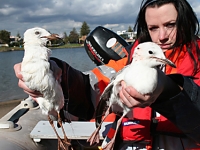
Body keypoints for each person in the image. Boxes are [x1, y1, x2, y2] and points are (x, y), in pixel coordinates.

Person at [14, 0, 200, 149]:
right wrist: (55, 72)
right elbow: (91, 86)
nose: (162, 36)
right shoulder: (129, 59)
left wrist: (169, 89)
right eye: (153, 28)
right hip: (130, 144)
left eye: (170, 25)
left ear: (186, 22)